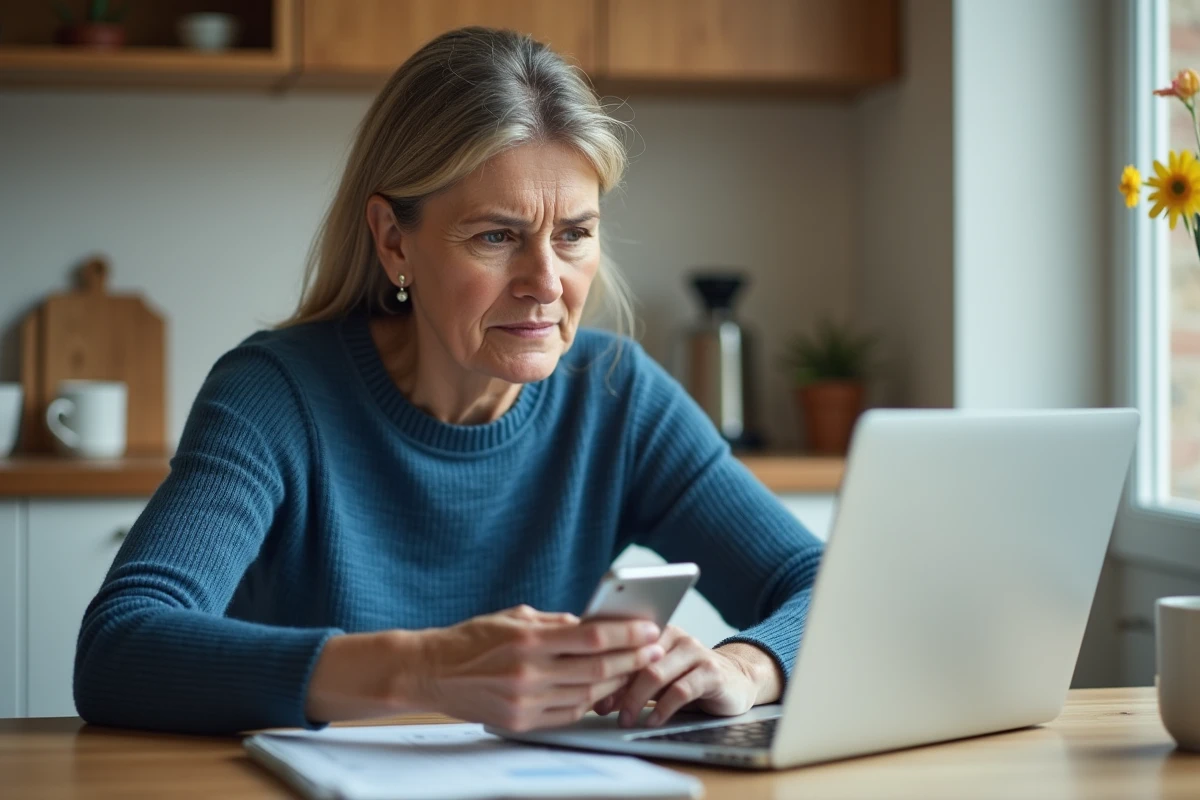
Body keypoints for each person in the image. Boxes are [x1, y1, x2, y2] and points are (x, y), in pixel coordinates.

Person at [73, 26, 824, 736]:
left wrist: (746, 667)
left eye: (574, 235)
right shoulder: (276, 394)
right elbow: (120, 646)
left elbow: (826, 582)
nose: (546, 283)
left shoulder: (618, 394)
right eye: (497, 235)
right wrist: (427, 669)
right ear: (394, 240)